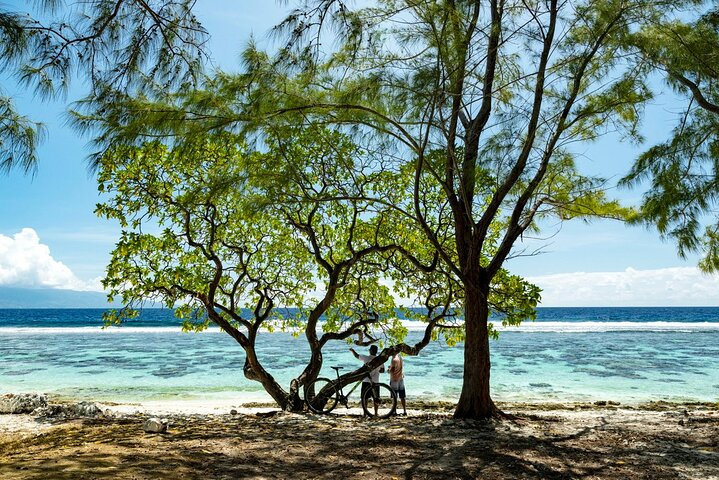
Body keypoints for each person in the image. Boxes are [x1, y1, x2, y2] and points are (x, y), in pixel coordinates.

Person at [349, 345, 384, 416]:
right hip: (376, 381)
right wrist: (377, 369)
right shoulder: (380, 360)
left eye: (369, 349)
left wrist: (352, 351)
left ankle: (365, 413)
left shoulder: (366, 358)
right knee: (376, 398)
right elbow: (382, 371)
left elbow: (357, 356)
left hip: (366, 381)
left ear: (370, 351)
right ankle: (376, 413)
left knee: (365, 398)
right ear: (376, 352)